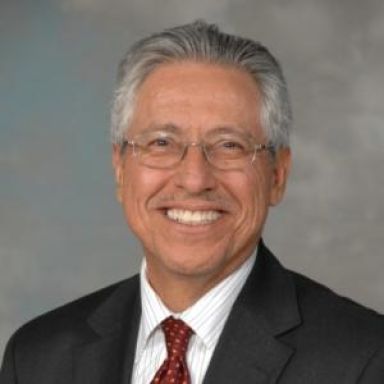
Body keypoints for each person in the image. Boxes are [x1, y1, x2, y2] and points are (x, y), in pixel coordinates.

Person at [1, 20, 383, 384]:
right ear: (120, 168)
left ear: (276, 175)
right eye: (162, 143)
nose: (195, 179)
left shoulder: (364, 360)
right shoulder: (36, 358)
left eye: (230, 145)